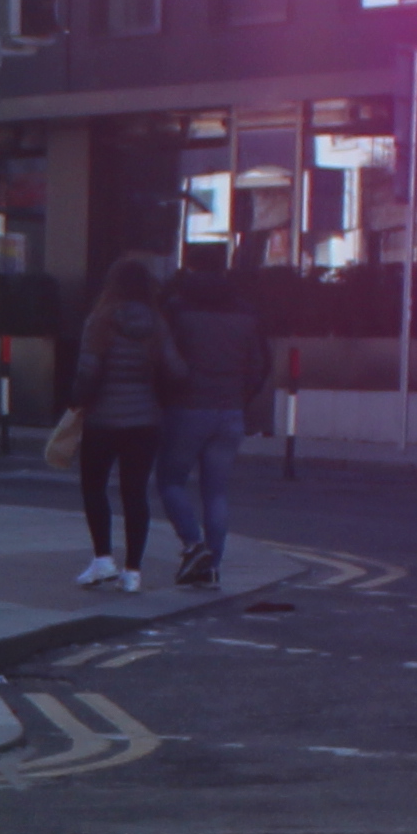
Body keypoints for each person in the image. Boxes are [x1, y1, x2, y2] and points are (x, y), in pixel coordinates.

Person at [54, 253, 170, 591]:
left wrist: (76, 399)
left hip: (103, 420)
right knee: (135, 493)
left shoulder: (100, 319)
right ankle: (133, 572)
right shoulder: (157, 324)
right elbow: (174, 369)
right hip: (145, 420)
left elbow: (88, 371)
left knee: (94, 486)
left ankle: (103, 560)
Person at [157, 252, 255, 591]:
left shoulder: (177, 309)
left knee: (170, 481)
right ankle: (212, 565)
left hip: (187, 408)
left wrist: (167, 395)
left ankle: (192, 544)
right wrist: (242, 399)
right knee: (216, 493)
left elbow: (165, 358)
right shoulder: (245, 311)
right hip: (230, 411)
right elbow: (261, 365)